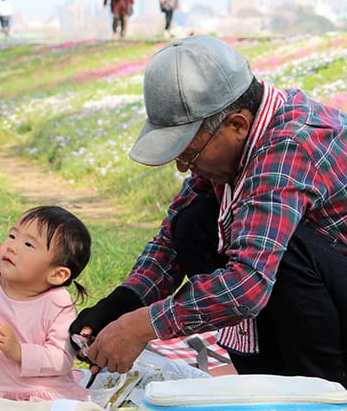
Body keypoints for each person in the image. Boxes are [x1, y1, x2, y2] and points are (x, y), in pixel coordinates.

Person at [70, 35, 347, 388]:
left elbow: (248, 284)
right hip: (322, 295)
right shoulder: (239, 141)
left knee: (284, 249)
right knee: (197, 222)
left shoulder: (287, 146)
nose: (184, 167)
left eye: (190, 152)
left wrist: (145, 325)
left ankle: (321, 390)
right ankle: (269, 381)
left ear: (236, 125)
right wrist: (123, 302)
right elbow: (173, 237)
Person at [0, 206, 92, 402]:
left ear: (57, 274)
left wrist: (18, 351)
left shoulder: (58, 303)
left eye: (28, 244)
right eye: (12, 236)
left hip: (42, 394)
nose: (12, 246)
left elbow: (62, 359)